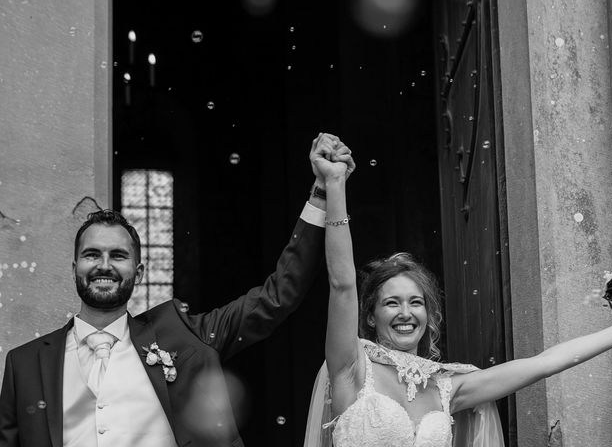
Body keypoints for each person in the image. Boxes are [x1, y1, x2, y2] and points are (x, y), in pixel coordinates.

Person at [0, 132, 355, 447]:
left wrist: (322, 193)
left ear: (138, 272)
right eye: (92, 254)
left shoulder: (180, 337)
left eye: (118, 256)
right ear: (74, 267)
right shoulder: (25, 364)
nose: (104, 265)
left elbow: (277, 298)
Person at [304, 149, 612, 447]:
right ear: (369, 315)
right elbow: (343, 283)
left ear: (428, 315)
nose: (405, 313)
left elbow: (545, 363)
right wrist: (335, 185)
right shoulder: (350, 365)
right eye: (392, 303)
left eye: (416, 302)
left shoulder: (449, 387)